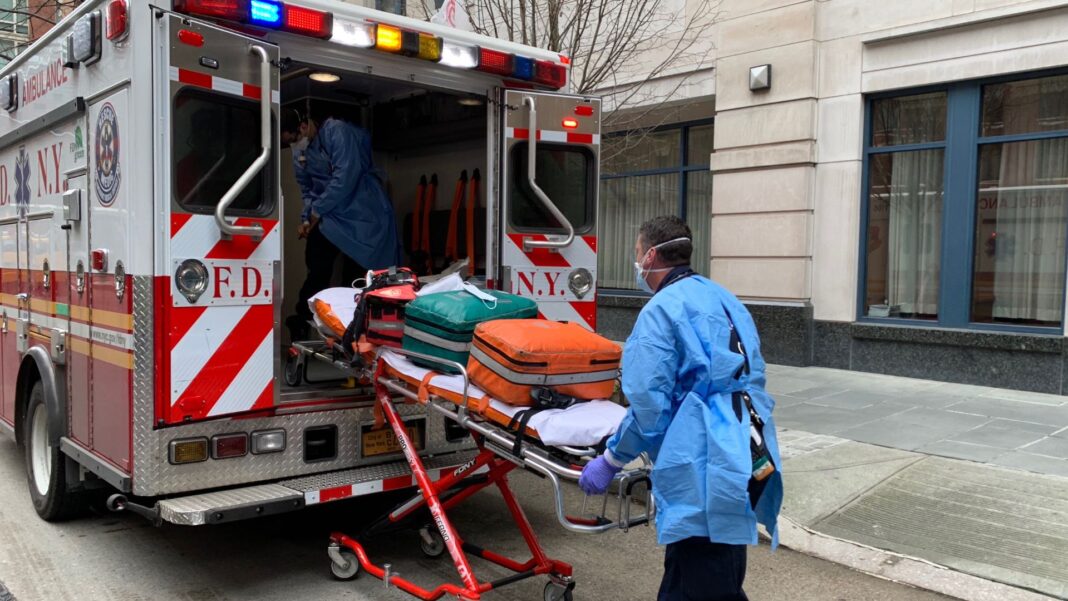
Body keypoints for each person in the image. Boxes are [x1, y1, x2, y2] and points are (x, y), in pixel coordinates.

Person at [579, 216, 783, 601]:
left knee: (708, 577)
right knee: (700, 565)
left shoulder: (662, 310)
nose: (636, 261)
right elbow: (754, 373)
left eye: (637, 252)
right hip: (747, 442)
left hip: (701, 460)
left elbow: (648, 405)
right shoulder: (723, 298)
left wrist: (612, 458)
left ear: (651, 255)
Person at [281, 109, 403, 341]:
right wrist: (306, 218)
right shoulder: (300, 153)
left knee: (356, 276)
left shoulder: (337, 132)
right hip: (329, 214)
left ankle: (352, 329)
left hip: (360, 211)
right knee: (317, 271)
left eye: (295, 138)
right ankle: (302, 322)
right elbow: (306, 188)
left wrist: (317, 211)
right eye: (290, 143)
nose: (295, 145)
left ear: (304, 126)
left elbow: (345, 177)